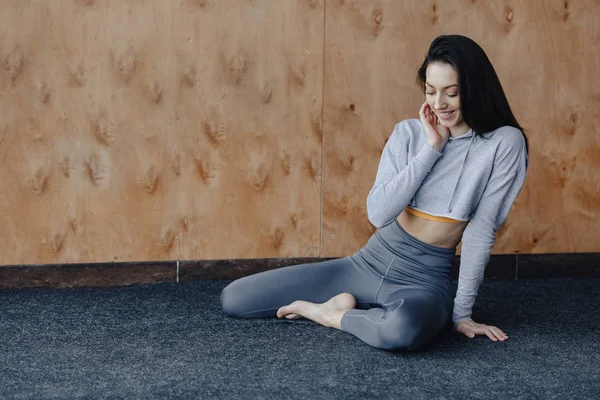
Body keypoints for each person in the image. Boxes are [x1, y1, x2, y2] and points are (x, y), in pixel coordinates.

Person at [220, 34, 529, 351]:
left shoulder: (504, 143)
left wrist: (462, 314)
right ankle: (349, 305)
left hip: (423, 282)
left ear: (474, 89)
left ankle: (330, 314)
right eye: (431, 92)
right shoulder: (409, 133)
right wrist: (431, 149)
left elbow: (480, 230)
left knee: (401, 331)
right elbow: (379, 214)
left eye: (452, 93)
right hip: (366, 264)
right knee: (234, 299)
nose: (439, 104)